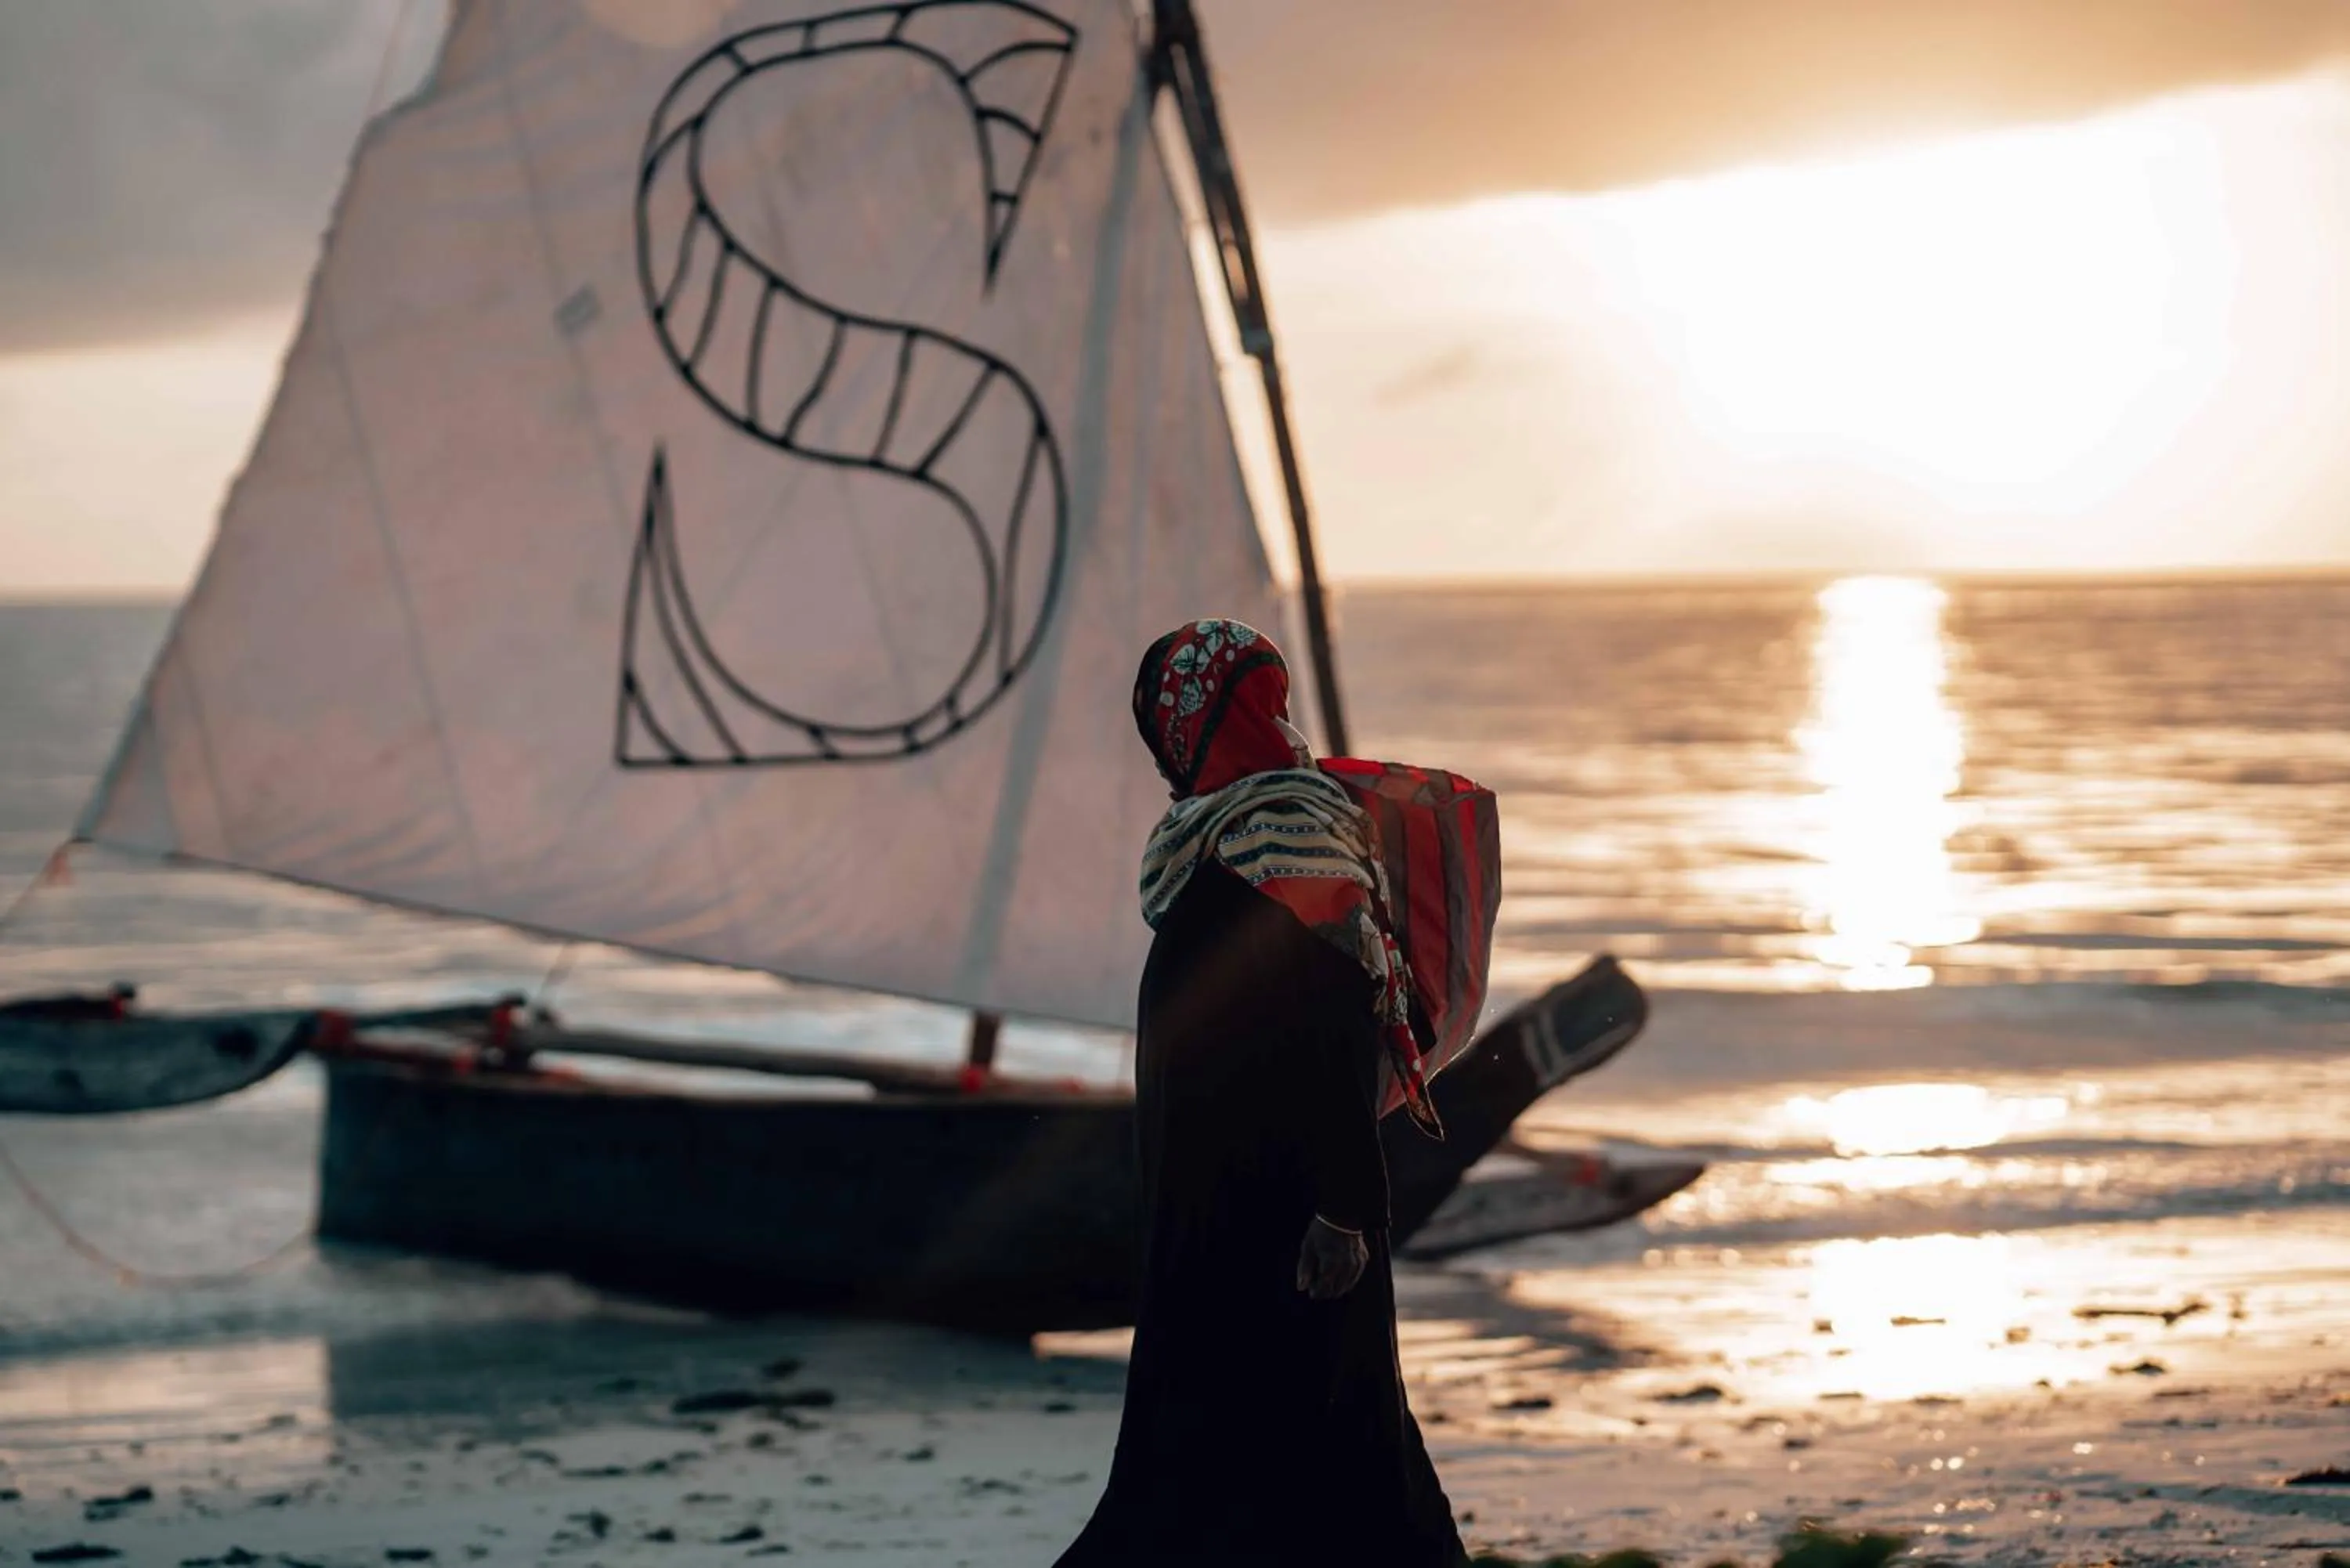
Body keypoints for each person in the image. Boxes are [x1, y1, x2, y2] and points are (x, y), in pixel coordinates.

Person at [1052, 619, 1469, 1568]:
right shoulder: (1227, 833)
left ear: (1189, 725)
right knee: (1246, 1451)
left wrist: (1344, 1205)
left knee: (1287, 1454)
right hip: (1212, 1198)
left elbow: (1332, 1025)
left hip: (1281, 1208)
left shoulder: (1292, 840)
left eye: (1167, 726)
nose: (1163, 747)